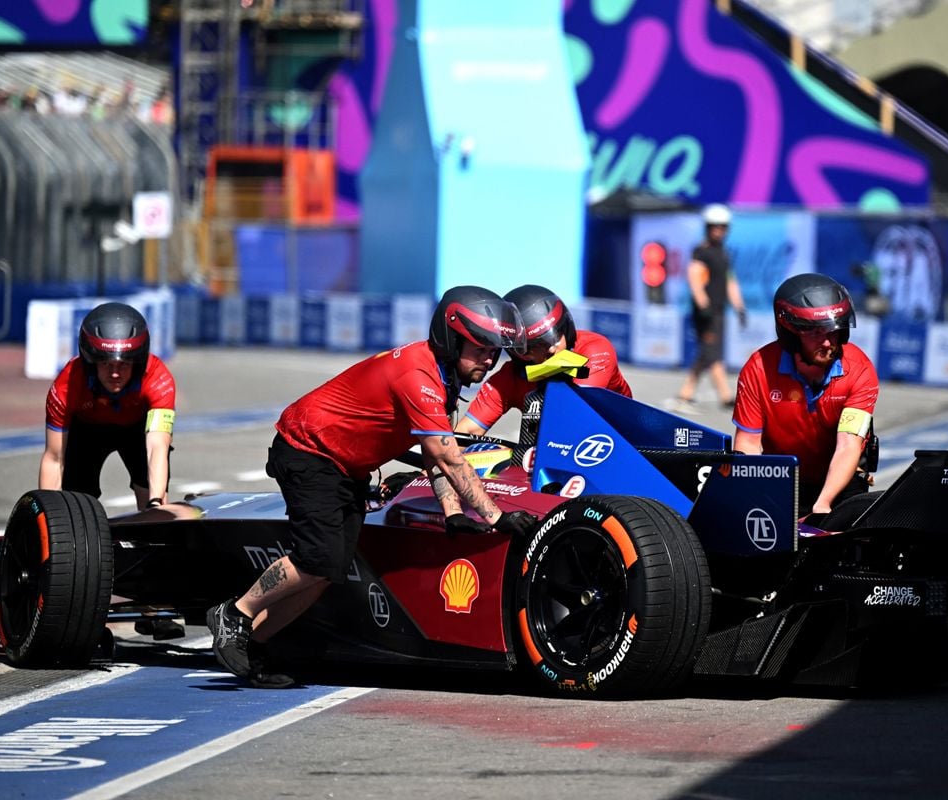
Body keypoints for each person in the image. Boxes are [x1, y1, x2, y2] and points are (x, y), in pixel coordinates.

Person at [207, 286, 541, 687]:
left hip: (346, 465)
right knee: (317, 557)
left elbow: (434, 454)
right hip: (308, 451)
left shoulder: (443, 379)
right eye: (481, 347)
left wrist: (453, 514)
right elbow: (449, 455)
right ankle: (234, 614)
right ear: (452, 339)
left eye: (495, 351)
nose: (490, 359)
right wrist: (496, 516)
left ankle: (255, 647)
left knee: (328, 568)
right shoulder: (418, 375)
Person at [40, 302, 179, 638]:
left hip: (136, 429)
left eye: (124, 363)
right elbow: (53, 459)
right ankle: (82, 608)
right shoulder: (65, 385)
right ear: (89, 360)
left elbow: (157, 447)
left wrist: (157, 506)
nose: (115, 372)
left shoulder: (160, 380)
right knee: (75, 510)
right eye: (105, 363)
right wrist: (46, 527)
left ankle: (153, 603)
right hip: (86, 430)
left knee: (152, 504)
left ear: (139, 360)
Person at [731, 273, 879, 518]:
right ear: (790, 333)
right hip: (782, 478)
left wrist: (823, 504)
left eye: (833, 331)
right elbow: (747, 444)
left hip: (842, 479)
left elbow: (848, 445)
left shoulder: (860, 369)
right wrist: (752, 498)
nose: (827, 342)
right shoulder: (758, 368)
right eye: (814, 333)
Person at [455, 284, 632, 438]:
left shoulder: (595, 349)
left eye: (555, 335)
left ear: (566, 327)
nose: (552, 348)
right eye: (538, 344)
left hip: (628, 444)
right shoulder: (509, 379)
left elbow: (575, 419)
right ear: (519, 352)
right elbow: (468, 431)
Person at [673, 204, 748, 412]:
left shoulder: (723, 253)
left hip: (719, 310)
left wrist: (739, 307)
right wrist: (702, 303)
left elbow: (730, 282)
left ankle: (686, 392)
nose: (719, 230)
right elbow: (694, 278)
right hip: (706, 312)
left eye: (723, 227)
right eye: (715, 226)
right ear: (707, 227)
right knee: (713, 354)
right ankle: (725, 396)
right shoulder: (702, 252)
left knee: (707, 353)